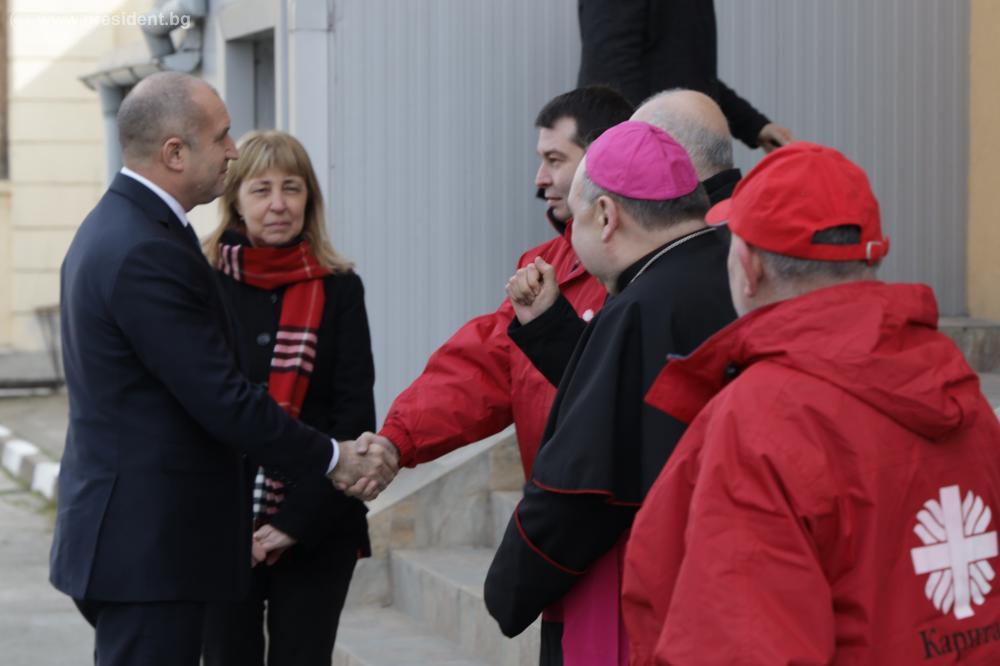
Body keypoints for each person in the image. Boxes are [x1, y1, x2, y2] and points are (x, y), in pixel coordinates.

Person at [51, 72, 396, 666]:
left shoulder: (132, 227)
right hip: (149, 549)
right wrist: (334, 458)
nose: (233, 151)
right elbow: (221, 398)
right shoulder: (145, 248)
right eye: (222, 137)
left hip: (154, 544)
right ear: (175, 153)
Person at [622, 142, 1000, 664]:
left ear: (748, 267)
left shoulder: (760, 419)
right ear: (872, 257)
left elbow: (742, 649)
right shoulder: (959, 389)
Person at [484, 121, 737, 665]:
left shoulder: (639, 308)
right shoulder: (732, 268)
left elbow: (582, 489)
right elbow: (640, 403)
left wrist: (508, 587)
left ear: (605, 216)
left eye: (574, 220)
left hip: (644, 594)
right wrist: (551, 328)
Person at [198, 131, 375, 665]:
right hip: (218, 524)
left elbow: (353, 416)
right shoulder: (202, 284)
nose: (278, 204)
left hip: (318, 522)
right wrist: (237, 526)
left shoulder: (341, 287)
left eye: (292, 188)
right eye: (262, 189)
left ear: (309, 200)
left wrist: (291, 523)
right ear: (236, 201)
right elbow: (197, 409)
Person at [576, 0, 794, 151]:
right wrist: (638, 156)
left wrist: (755, 126)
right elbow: (609, 76)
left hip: (684, 154)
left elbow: (688, 74)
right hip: (648, 165)